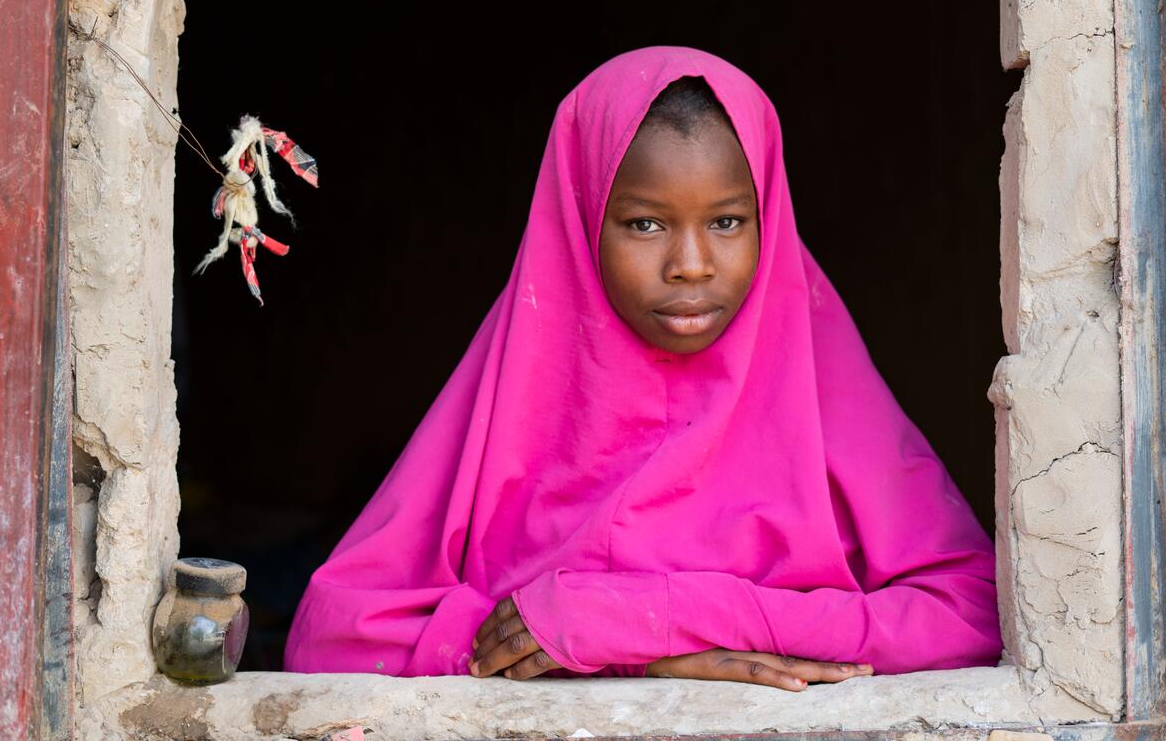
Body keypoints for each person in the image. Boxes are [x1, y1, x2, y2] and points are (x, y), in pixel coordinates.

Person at [282, 46, 1002, 690]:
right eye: (645, 224)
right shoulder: (515, 389)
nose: (690, 265)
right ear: (581, 216)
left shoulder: (821, 384)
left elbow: (971, 617)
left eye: (726, 221)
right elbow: (334, 637)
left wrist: (649, 621)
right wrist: (608, 650)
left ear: (768, 220)